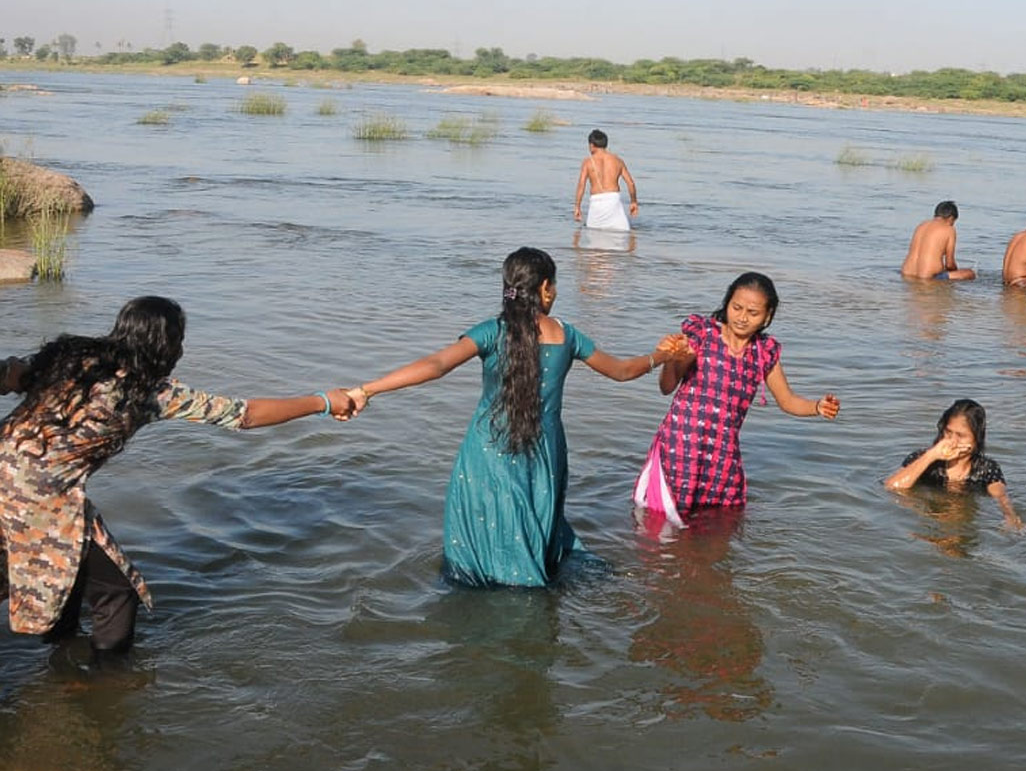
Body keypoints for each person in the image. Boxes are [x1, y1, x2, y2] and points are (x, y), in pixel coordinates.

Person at [0, 296, 355, 657]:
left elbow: (9, 375)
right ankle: (101, 684)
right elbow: (243, 415)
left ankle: (62, 653)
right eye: (179, 341)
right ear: (165, 344)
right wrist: (322, 402)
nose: (182, 349)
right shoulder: (149, 391)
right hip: (38, 496)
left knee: (66, 569)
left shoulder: (70, 356)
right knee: (119, 593)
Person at [345, 246, 685, 587]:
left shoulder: (491, 331)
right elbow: (623, 371)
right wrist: (660, 355)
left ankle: (484, 584)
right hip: (545, 451)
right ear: (546, 288)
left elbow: (435, 366)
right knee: (533, 522)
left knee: (489, 524)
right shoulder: (567, 335)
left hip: (489, 450)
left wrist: (368, 389)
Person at [633, 272, 840, 529]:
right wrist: (673, 358)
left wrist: (817, 407)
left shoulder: (763, 353)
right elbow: (667, 387)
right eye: (737, 307)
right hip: (680, 446)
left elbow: (787, 400)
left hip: (722, 453)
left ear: (768, 316)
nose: (742, 317)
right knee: (663, 522)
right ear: (727, 303)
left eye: (752, 312)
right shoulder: (702, 335)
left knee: (718, 526)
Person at [884, 399, 1021, 527]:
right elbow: (892, 487)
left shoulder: (987, 468)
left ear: (976, 438)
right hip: (930, 519)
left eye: (961, 436)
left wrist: (1011, 518)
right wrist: (931, 455)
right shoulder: (921, 459)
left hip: (964, 521)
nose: (952, 442)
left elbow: (1001, 497)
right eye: (948, 433)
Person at [573, 129, 639, 231]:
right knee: (622, 235)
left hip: (596, 203)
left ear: (591, 145)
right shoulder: (618, 160)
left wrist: (577, 206)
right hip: (613, 201)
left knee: (595, 238)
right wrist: (633, 201)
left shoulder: (587, 162)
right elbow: (630, 183)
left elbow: (581, 185)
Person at [900, 200, 976, 280]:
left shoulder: (922, 225)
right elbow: (949, 264)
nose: (953, 224)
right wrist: (955, 272)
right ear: (951, 218)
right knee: (970, 273)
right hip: (928, 277)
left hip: (906, 273)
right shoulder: (949, 229)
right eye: (953, 221)